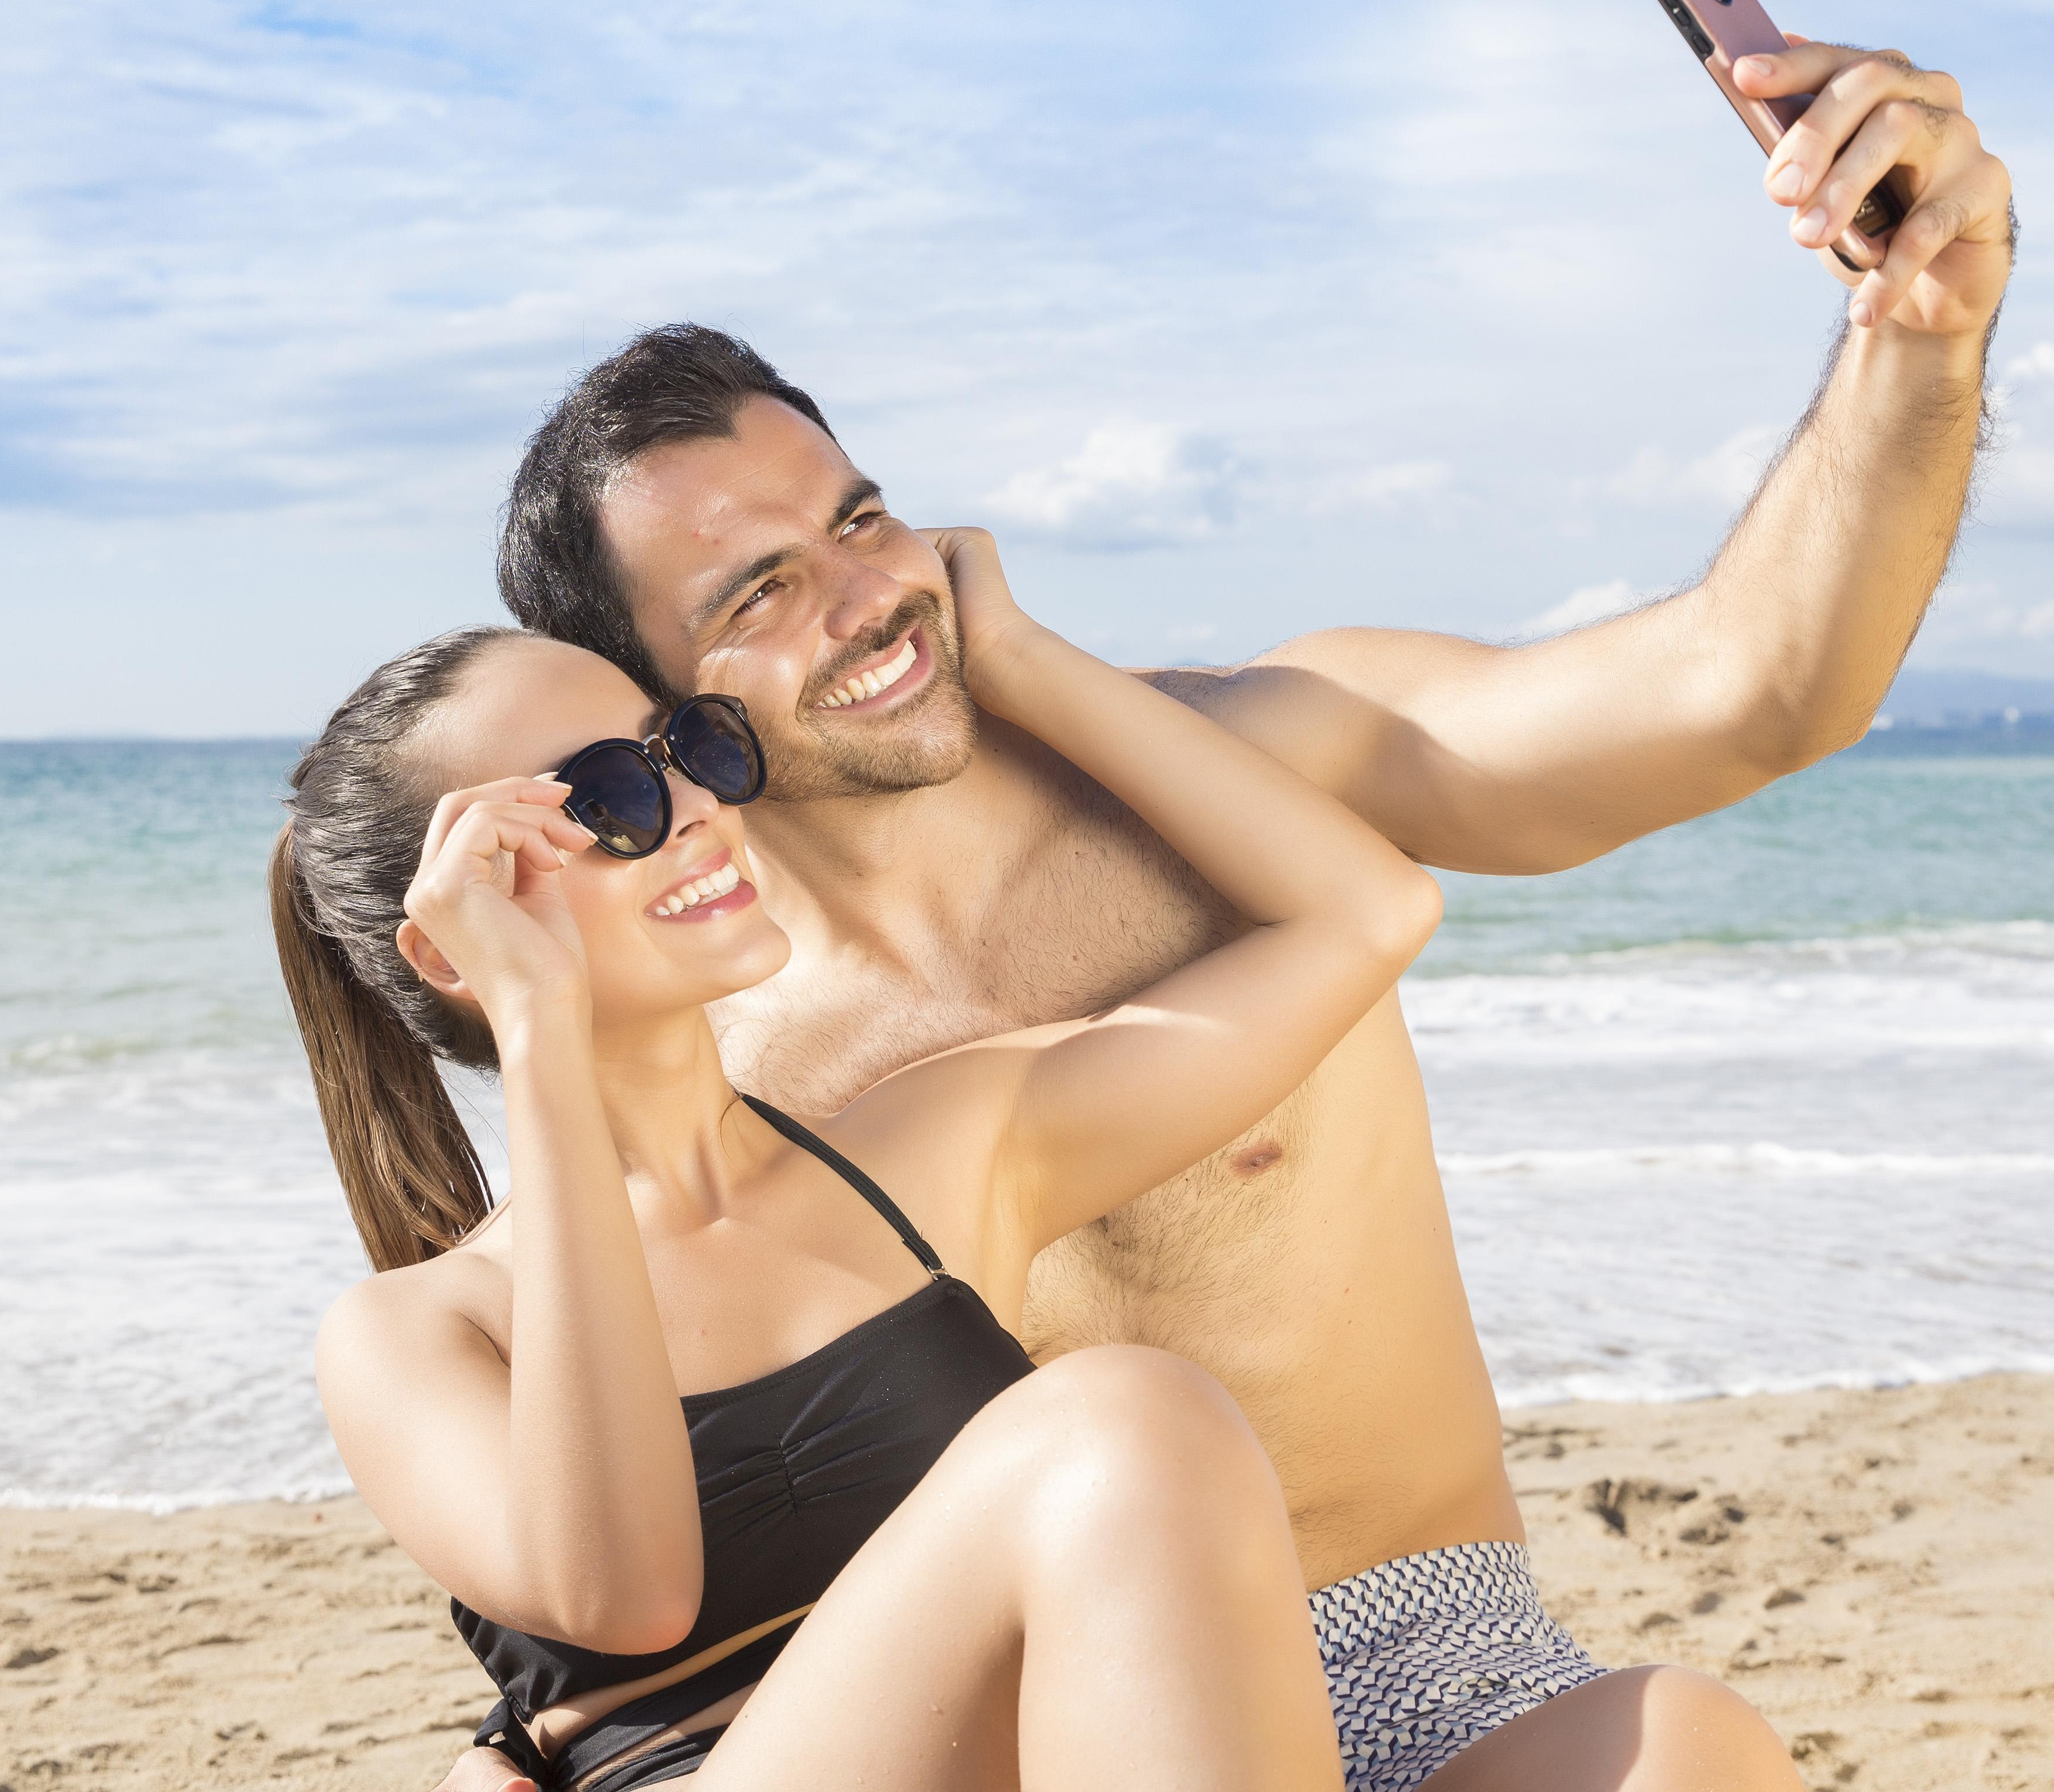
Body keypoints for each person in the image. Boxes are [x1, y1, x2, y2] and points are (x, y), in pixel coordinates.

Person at [457, 38, 2009, 1791]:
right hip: (1035, 1740)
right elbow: (628, 1544)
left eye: (860, 517)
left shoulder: (1249, 763)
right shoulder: (701, 1065)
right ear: (656, 715)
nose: (868, 595)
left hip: (1429, 1655)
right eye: (764, 591)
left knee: (1693, 1755)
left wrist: (1920, 337)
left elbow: (1756, 684)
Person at [271, 529, 1454, 1787]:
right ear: (458, 941)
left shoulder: (932, 1147)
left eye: (693, 748)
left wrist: (1017, 659)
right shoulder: (414, 1332)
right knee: (1120, 1412)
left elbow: (1366, 913)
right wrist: (539, 1033)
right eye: (606, 797)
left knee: (1675, 1729)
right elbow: (627, 1592)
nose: (695, 807)